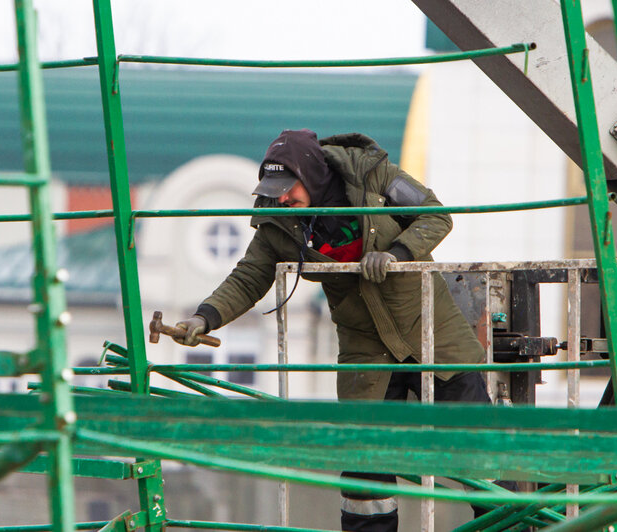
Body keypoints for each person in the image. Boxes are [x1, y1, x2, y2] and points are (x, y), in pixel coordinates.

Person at [174, 129, 495, 531]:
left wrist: (396, 255)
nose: (282, 199)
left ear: (310, 174)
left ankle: (513, 524)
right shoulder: (279, 221)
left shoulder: (373, 178)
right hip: (364, 347)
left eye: (287, 188)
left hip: (431, 330)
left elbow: (435, 215)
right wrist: (205, 317)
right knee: (365, 467)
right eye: (274, 191)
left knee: (480, 447)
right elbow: (249, 276)